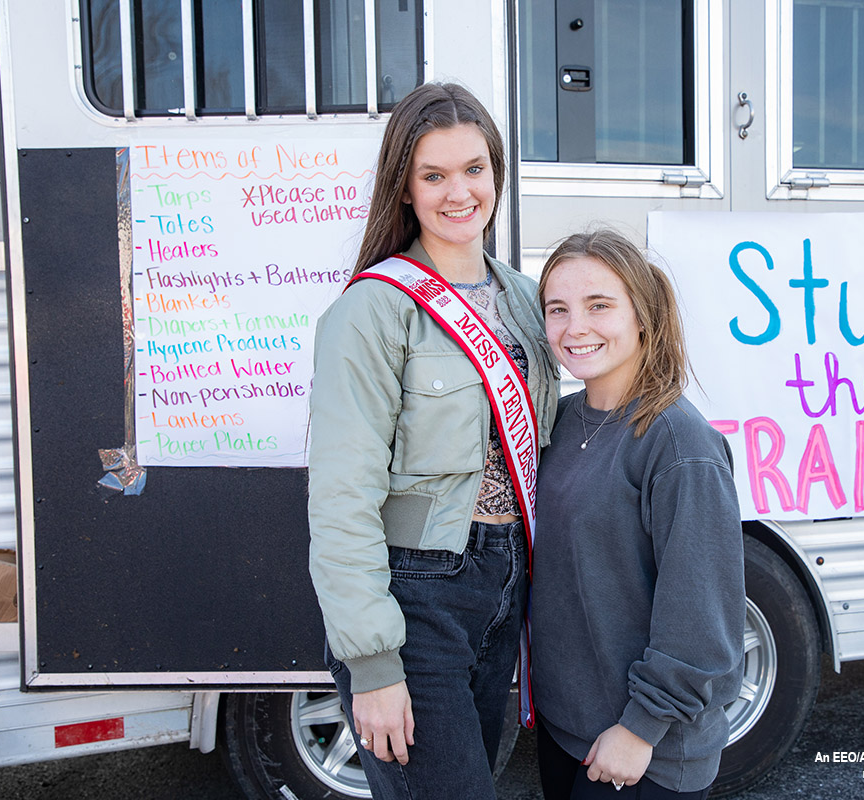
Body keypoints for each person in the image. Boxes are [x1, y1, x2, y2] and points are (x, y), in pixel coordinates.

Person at [306, 82, 558, 800]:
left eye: (474, 169)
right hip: (417, 593)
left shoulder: (523, 298)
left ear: (496, 175)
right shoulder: (371, 310)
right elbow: (341, 495)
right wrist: (373, 662)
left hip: (507, 587)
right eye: (434, 175)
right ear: (406, 188)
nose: (459, 192)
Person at [532, 229, 745, 799]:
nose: (575, 327)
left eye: (599, 305)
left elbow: (703, 620)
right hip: (566, 732)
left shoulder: (678, 443)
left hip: (641, 752)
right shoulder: (558, 421)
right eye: (558, 309)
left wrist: (640, 727)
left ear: (643, 316)